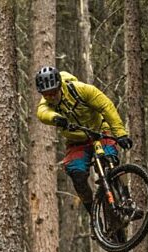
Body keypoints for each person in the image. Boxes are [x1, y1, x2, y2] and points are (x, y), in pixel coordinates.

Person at [33, 65, 133, 217]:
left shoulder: (81, 89)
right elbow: (42, 112)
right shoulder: (46, 102)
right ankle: (93, 214)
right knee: (77, 174)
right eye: (46, 94)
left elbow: (106, 106)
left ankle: (126, 199)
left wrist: (121, 134)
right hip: (76, 141)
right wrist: (56, 118)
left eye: (53, 92)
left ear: (60, 85)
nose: (51, 97)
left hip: (99, 131)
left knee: (111, 160)